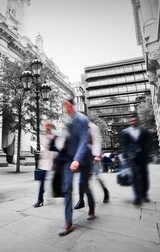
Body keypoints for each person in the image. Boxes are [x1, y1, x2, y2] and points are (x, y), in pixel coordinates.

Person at [58, 98, 92, 236]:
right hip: (68, 158)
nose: (64, 107)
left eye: (65, 104)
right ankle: (68, 222)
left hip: (83, 158)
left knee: (83, 186)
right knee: (67, 188)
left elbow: (84, 141)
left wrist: (77, 159)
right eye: (63, 105)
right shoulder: (67, 121)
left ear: (71, 105)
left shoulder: (82, 120)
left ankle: (92, 208)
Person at [74, 121, 110, 208]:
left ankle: (105, 191)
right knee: (82, 180)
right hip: (84, 156)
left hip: (94, 156)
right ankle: (81, 200)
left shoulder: (93, 127)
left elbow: (97, 141)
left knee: (97, 176)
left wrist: (97, 155)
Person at [121, 113, 153, 206]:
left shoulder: (144, 130)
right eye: (131, 120)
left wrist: (151, 154)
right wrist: (124, 156)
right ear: (130, 121)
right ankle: (136, 196)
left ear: (137, 120)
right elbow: (124, 145)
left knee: (144, 176)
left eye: (134, 120)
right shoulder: (125, 132)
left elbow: (149, 143)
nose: (133, 122)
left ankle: (144, 194)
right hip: (132, 157)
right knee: (134, 176)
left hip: (143, 156)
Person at [34, 121, 58, 207]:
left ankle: (53, 193)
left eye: (48, 126)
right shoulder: (44, 136)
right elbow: (45, 147)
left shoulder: (54, 135)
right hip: (44, 161)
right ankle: (40, 199)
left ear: (50, 126)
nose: (46, 127)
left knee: (54, 179)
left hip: (52, 160)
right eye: (45, 126)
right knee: (42, 180)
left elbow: (57, 148)